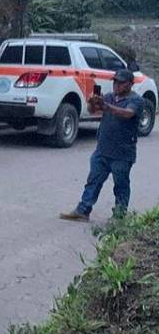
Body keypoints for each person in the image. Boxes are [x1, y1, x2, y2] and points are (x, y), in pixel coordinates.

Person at [60, 69, 144, 221]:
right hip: (103, 149)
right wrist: (93, 103)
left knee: (121, 186)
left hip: (122, 153)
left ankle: (119, 217)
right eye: (115, 82)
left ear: (130, 84)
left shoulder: (136, 100)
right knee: (93, 181)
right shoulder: (109, 97)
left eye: (121, 83)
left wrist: (106, 106)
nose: (117, 85)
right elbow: (93, 111)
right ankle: (83, 210)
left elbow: (127, 113)